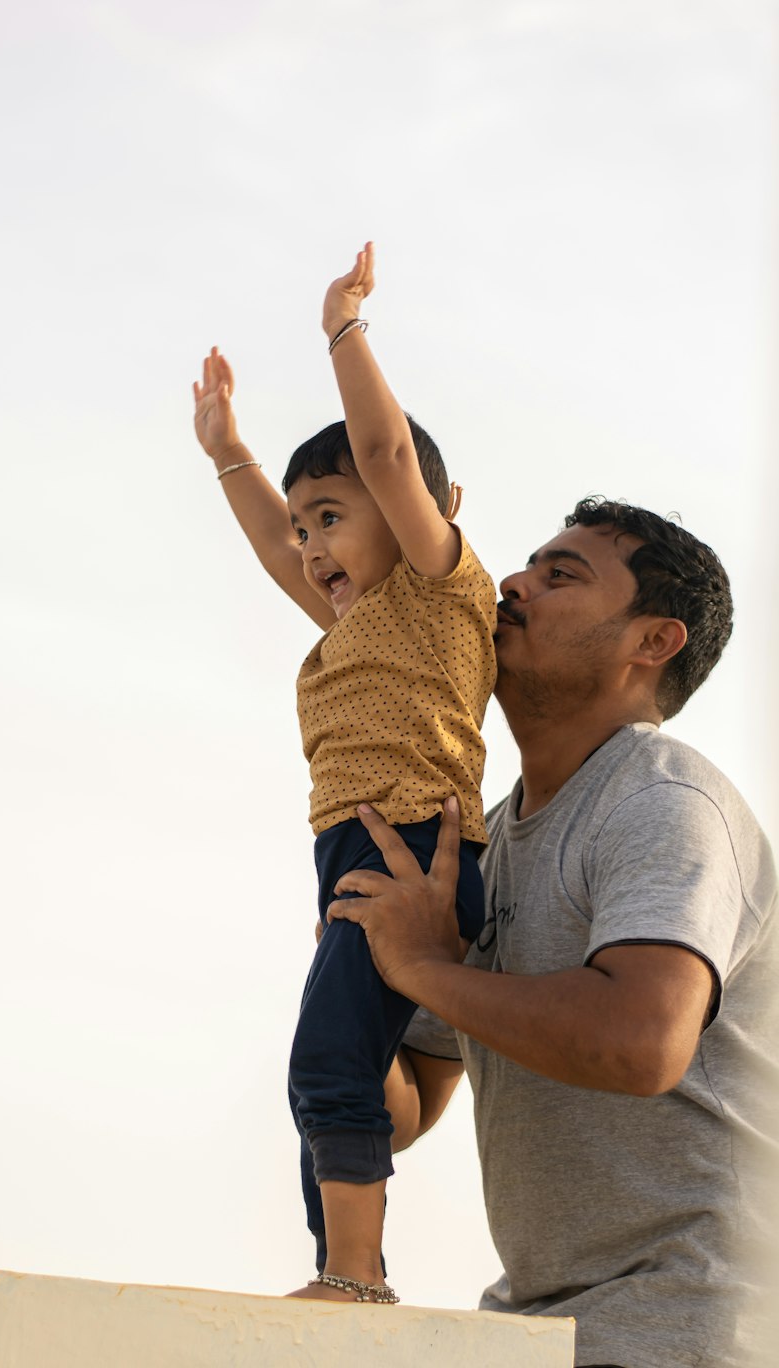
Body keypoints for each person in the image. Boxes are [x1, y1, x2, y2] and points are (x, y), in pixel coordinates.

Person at [328, 499, 778, 1367]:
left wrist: (419, 963)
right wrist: (359, 962)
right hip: (541, 1335)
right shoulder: (488, 844)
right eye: (530, 565)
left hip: (689, 1327)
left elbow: (640, 1042)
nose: (511, 584)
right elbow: (409, 1106)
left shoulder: (661, 802)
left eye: (561, 575)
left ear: (653, 642)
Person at [192, 244, 497, 1303]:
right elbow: (277, 553)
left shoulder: (435, 586)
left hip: (413, 850)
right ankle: (344, 1273)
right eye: (305, 523)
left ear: (417, 502)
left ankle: (356, 1278)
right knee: (336, 1092)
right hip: (356, 864)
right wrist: (228, 453)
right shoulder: (347, 626)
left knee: (321, 1067)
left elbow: (385, 453)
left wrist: (342, 329)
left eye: (335, 515)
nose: (312, 545)